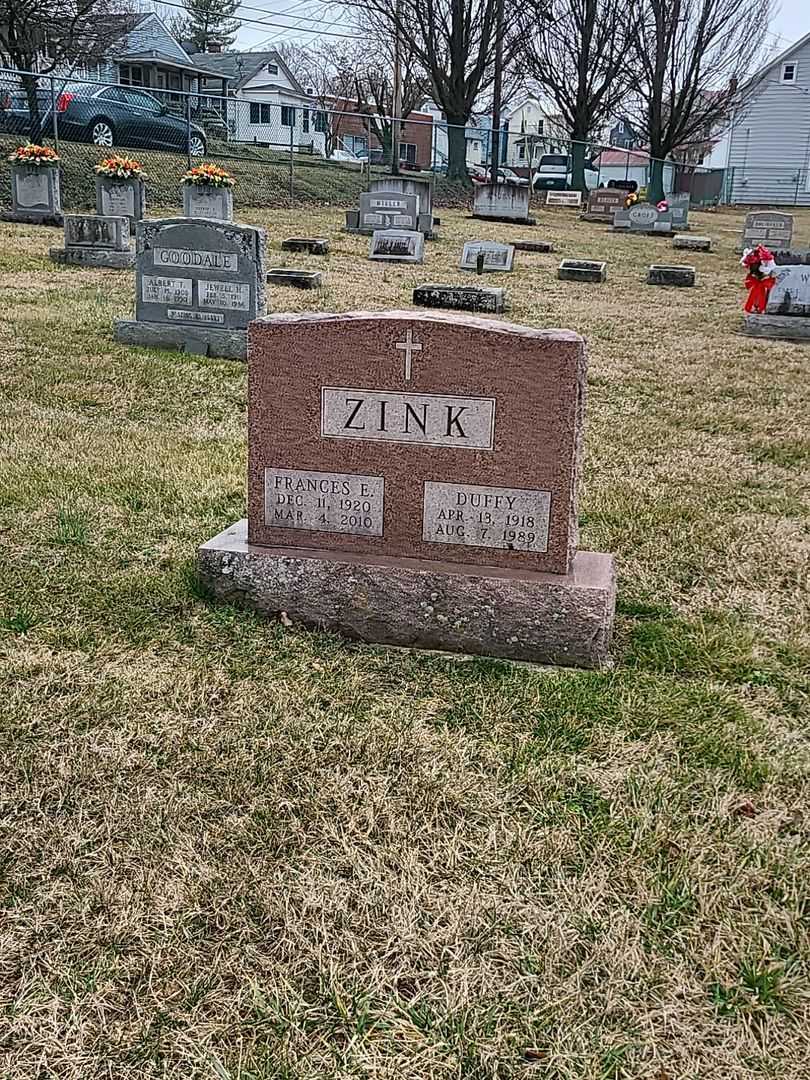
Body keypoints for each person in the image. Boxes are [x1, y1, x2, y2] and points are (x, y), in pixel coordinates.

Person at [741, 245, 777, 314]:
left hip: (761, 278)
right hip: (759, 278)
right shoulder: (756, 271)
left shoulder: (764, 268)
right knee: (758, 290)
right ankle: (757, 307)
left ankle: (758, 307)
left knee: (759, 290)